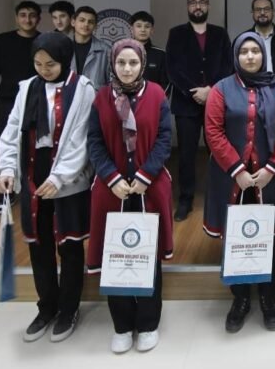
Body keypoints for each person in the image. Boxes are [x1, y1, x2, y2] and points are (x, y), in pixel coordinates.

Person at [0, 31, 96, 343]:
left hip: (68, 178)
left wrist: (59, 177)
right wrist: (6, 168)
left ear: (64, 60)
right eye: (38, 64)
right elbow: (12, 130)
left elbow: (82, 138)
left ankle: (68, 309)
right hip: (33, 173)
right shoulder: (27, 88)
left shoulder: (83, 88)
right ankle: (46, 307)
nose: (44, 70)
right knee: (39, 246)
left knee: (70, 245)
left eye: (50, 64)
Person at [203, 32, 275, 334]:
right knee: (237, 237)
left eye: (256, 51)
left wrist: (272, 167)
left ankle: (268, 297)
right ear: (236, 56)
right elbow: (213, 132)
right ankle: (240, 298)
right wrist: (237, 170)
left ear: (263, 55)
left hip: (270, 179)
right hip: (231, 179)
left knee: (272, 238)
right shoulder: (221, 89)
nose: (251, 56)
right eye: (244, 51)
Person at [87, 39, 173, 353]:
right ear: (113, 64)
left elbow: (164, 138)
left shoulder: (156, 94)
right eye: (121, 63)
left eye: (133, 63)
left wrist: (145, 175)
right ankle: (122, 325)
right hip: (112, 190)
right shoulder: (101, 98)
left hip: (149, 187)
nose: (127, 69)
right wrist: (111, 177)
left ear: (142, 64)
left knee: (147, 255)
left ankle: (148, 322)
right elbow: (94, 142)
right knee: (116, 256)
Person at [165, 0, 233, 221]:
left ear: (208, 6)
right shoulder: (176, 34)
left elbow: (228, 65)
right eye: (193, 2)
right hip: (186, 104)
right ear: (188, 6)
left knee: (220, 152)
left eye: (202, 2)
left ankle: (222, 197)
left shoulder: (220, 34)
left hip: (217, 103)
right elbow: (173, 68)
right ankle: (185, 200)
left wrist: (211, 90)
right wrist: (194, 92)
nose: (198, 6)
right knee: (186, 155)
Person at [0, 0, 41, 215]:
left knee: (35, 146)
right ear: (17, 18)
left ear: (38, 19)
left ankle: (34, 190)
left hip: (36, 101)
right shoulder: (2, 40)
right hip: (7, 100)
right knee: (6, 145)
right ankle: (5, 194)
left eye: (32, 15)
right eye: (23, 15)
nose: (28, 19)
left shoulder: (42, 41)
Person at [70, 5, 112, 89]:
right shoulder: (63, 47)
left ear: (95, 26)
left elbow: (112, 82)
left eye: (91, 22)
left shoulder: (106, 50)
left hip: (95, 97)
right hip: (69, 96)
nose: (86, 24)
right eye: (82, 20)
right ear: (73, 22)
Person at [129, 11, 169, 92]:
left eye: (147, 26)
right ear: (132, 29)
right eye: (139, 26)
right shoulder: (121, 53)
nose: (143, 30)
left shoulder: (161, 55)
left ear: (152, 30)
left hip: (153, 98)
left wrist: (156, 97)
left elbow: (165, 83)